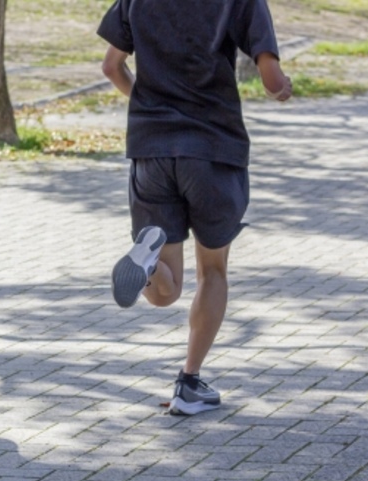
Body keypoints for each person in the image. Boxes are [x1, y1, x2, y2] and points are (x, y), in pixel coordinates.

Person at [97, 0, 292, 416]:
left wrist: (152, 105)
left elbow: (111, 67)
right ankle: (189, 382)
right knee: (213, 270)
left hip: (152, 147)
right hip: (213, 149)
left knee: (166, 291)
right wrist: (283, 88)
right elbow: (271, 79)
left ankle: (146, 262)